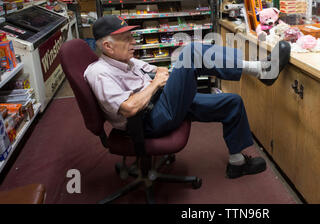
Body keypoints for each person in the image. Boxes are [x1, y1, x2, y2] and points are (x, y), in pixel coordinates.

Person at [84, 15, 291, 179]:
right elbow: (129, 108)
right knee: (192, 52)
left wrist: (164, 79)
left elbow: (160, 69)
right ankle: (260, 70)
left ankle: (237, 163)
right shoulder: (99, 73)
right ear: (107, 46)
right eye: (125, 39)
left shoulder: (129, 62)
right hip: (148, 120)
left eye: (131, 37)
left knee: (231, 102)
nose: (133, 42)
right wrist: (156, 83)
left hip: (161, 101)